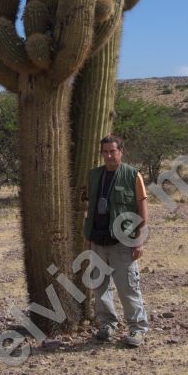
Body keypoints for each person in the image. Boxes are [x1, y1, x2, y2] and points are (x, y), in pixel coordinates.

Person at [83, 134, 149, 347]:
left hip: (123, 242)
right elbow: (91, 208)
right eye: (105, 152)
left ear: (121, 151)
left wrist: (138, 240)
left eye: (113, 151)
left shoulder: (132, 175)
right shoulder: (94, 176)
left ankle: (137, 329)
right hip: (98, 241)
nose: (109, 156)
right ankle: (107, 325)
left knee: (128, 287)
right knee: (100, 287)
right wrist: (88, 238)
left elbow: (142, 210)